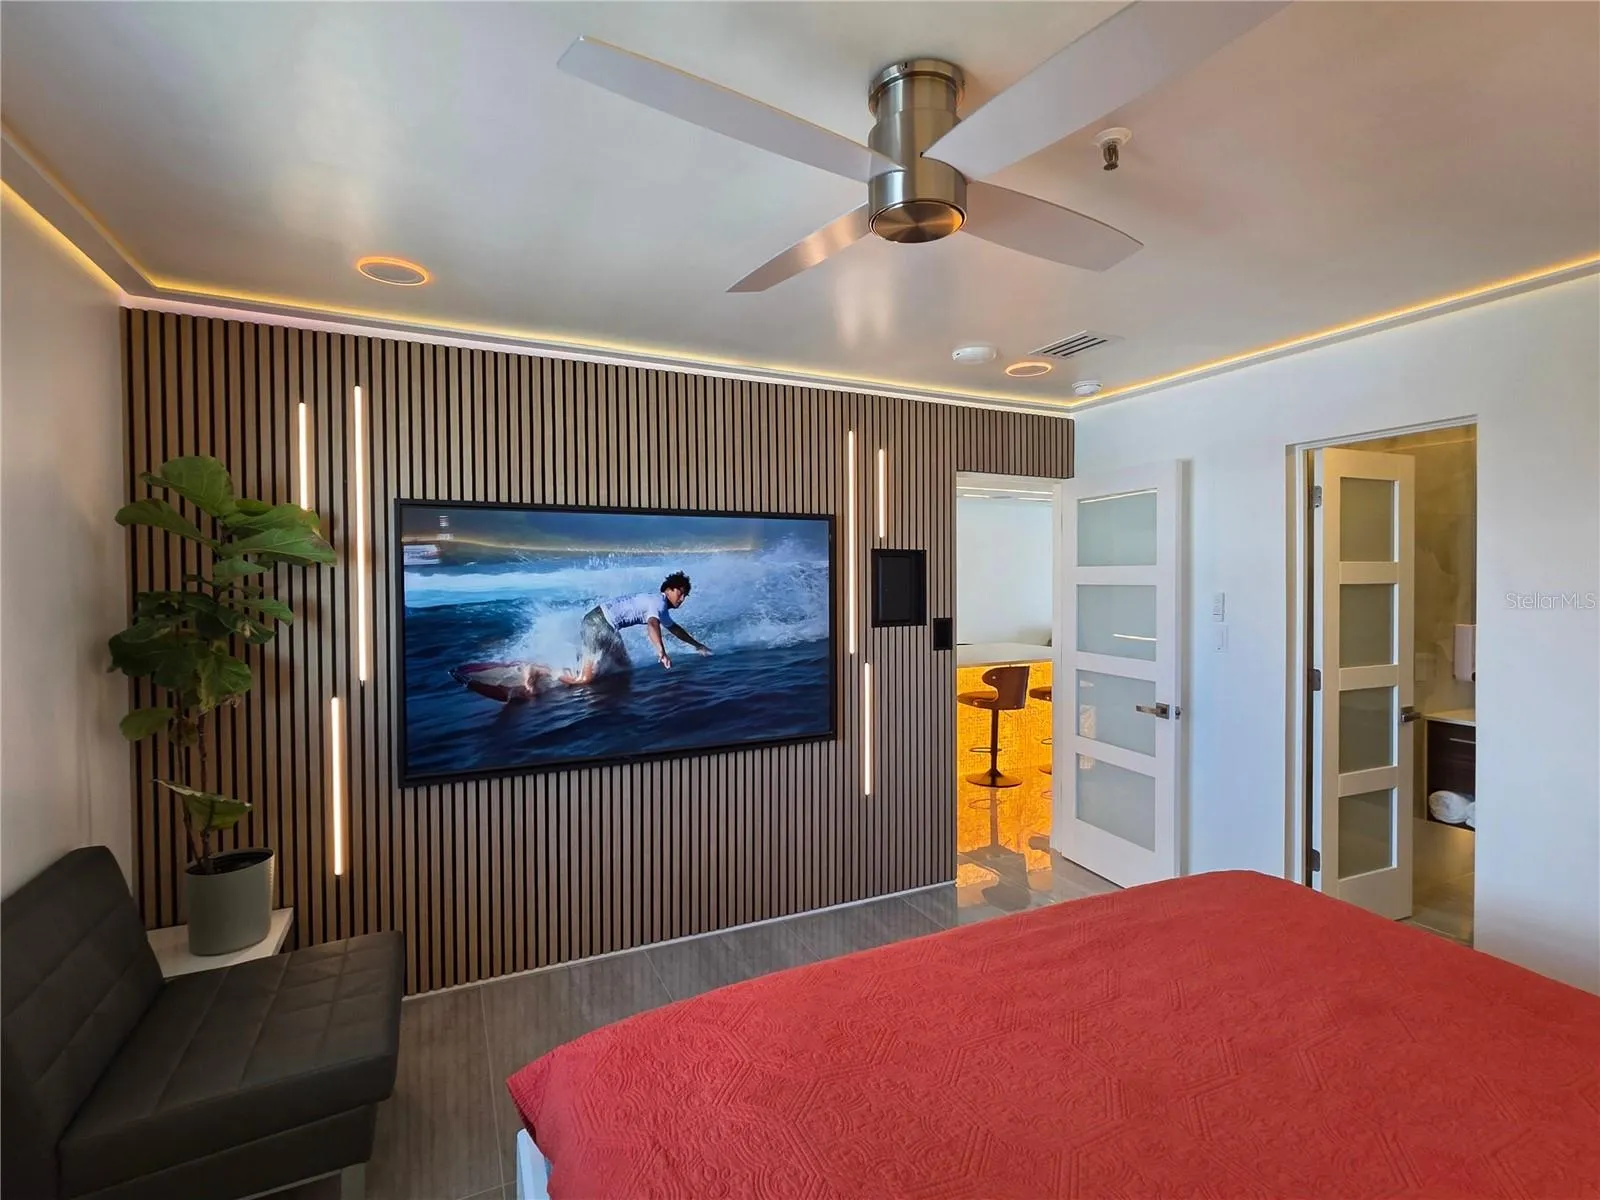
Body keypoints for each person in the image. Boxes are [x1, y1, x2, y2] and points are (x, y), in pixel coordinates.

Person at [572, 571, 712, 683]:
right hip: (599, 624)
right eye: (680, 593)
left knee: (622, 667)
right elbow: (652, 624)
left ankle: (566, 671)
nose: (682, 599)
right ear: (669, 589)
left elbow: (676, 630)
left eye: (685, 596)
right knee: (585, 679)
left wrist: (698, 645)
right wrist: (662, 652)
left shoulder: (659, 605)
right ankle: (559, 675)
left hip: (600, 622)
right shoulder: (659, 603)